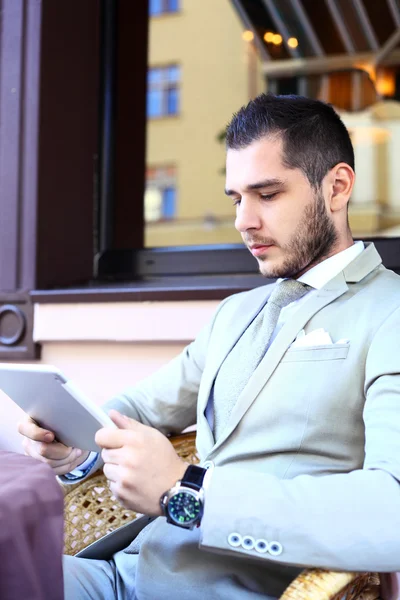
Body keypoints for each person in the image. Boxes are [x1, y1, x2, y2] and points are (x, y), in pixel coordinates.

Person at [19, 94, 400, 600]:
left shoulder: (390, 312)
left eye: (267, 194)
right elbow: (134, 409)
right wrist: (75, 448)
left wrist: (188, 491)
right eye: (236, 198)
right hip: (120, 575)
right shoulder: (234, 313)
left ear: (337, 187)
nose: (243, 220)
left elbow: (388, 512)